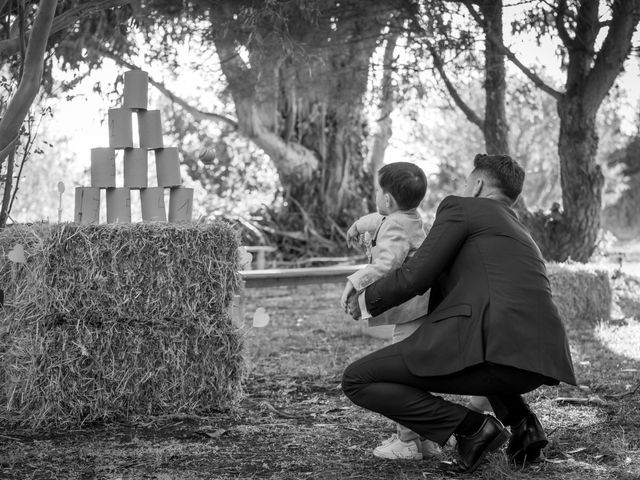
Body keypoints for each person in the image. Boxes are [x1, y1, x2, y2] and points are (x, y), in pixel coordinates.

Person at [342, 154, 577, 473]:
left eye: (467, 183)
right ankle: (524, 425)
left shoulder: (461, 207)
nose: (464, 188)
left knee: (357, 378)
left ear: (478, 185)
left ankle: (472, 428)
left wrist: (365, 298)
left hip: (494, 349)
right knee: (485, 348)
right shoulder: (513, 228)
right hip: (537, 360)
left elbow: (416, 275)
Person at [340, 161, 438, 460]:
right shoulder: (410, 218)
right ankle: (426, 441)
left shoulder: (396, 225)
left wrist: (355, 283)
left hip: (411, 314)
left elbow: (386, 265)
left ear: (387, 199)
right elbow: (379, 220)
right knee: (418, 372)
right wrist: (358, 225)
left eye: (378, 192)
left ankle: (407, 441)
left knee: (402, 374)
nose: (376, 198)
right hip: (423, 311)